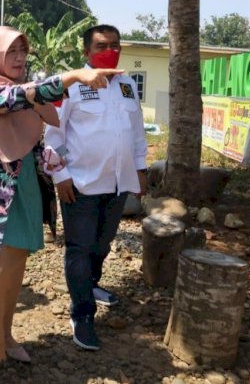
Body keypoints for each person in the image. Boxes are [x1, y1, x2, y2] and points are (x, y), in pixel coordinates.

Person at [0, 26, 121, 384]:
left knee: (13, 275)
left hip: (23, 194)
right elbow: (17, 97)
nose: (20, 58)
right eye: (12, 51)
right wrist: (72, 77)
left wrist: (56, 162)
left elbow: (33, 137)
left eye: (23, 51)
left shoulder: (22, 91)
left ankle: (5, 338)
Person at [44, 24, 147, 352]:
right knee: (80, 247)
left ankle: (90, 285)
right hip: (80, 183)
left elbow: (137, 130)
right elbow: (52, 136)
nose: (110, 50)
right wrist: (60, 175)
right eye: (102, 45)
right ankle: (82, 313)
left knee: (102, 243)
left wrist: (141, 169)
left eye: (115, 45)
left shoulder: (128, 85)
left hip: (118, 182)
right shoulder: (70, 86)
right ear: (86, 51)